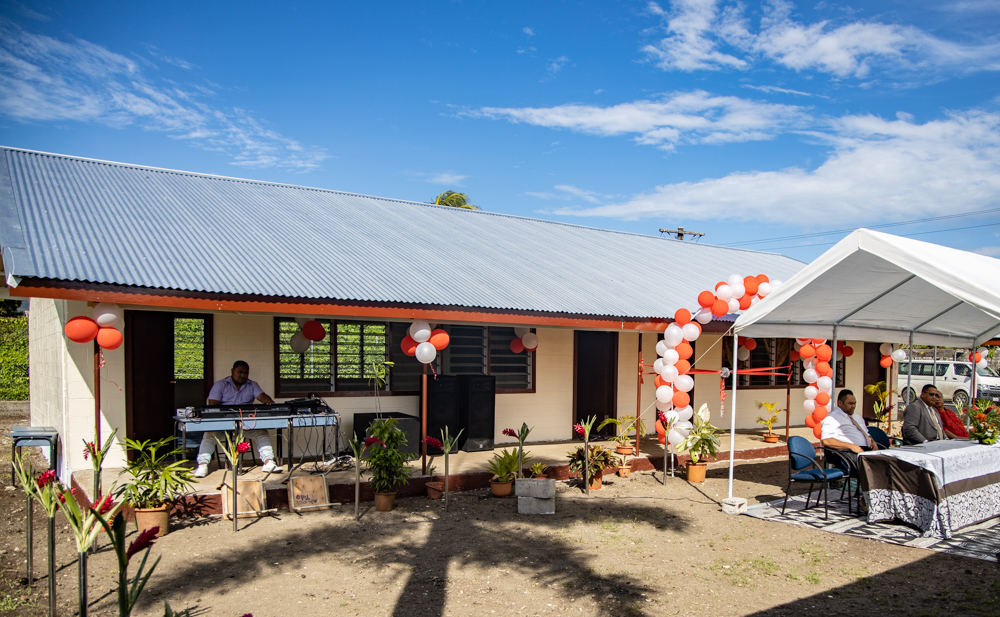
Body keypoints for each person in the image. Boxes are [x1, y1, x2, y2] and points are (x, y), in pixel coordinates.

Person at [193, 361, 282, 478]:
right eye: (240, 372)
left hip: (245, 424)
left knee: (262, 432)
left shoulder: (252, 385)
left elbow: (261, 396)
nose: (243, 375)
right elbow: (212, 405)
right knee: (209, 435)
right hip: (222, 424)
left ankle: (268, 462)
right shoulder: (221, 384)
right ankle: (203, 465)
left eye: (246, 373)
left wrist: (267, 400)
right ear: (232, 371)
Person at [820, 389, 879, 470]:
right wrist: (851, 446)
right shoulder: (832, 418)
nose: (853, 406)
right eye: (850, 403)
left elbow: (866, 433)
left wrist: (872, 440)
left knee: (889, 461)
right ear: (840, 403)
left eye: (854, 403)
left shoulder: (857, 417)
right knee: (876, 465)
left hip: (865, 450)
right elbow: (827, 441)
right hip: (847, 453)